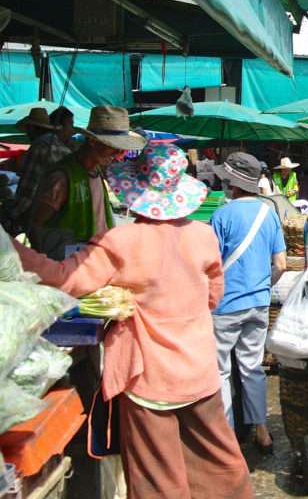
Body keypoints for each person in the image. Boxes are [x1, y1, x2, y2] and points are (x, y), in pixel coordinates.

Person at [14, 144, 253, 498]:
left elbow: (66, 278)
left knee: (159, 476)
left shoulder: (121, 242)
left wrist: (13, 250)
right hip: (199, 371)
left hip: (150, 380)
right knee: (218, 463)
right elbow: (213, 297)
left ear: (135, 192)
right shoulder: (203, 235)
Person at [210, 152, 287, 455]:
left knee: (220, 371)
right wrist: (262, 287)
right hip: (258, 304)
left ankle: (227, 436)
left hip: (225, 307)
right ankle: (262, 431)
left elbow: (211, 266)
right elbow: (281, 263)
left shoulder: (220, 216)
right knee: (252, 367)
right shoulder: (268, 213)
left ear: (231, 183)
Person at [29, 106, 146, 260]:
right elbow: (35, 226)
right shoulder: (62, 178)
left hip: (93, 262)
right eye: (114, 147)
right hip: (65, 269)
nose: (118, 154)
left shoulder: (95, 172)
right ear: (92, 141)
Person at [12, 106, 76, 230]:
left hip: (34, 216)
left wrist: (14, 216)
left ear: (31, 128)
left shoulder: (40, 145)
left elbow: (28, 190)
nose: (72, 131)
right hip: (54, 219)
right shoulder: (64, 149)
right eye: (71, 125)